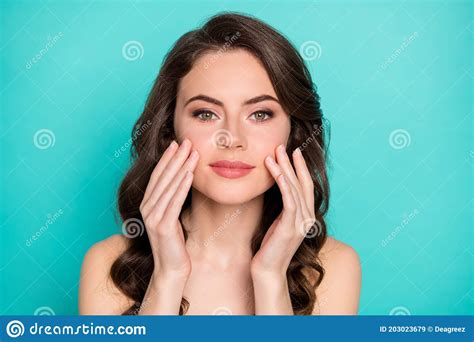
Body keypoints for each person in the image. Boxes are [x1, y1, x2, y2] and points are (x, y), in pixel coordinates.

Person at [79, 12, 361, 315]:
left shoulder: (335, 267)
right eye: (206, 114)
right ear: (168, 130)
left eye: (261, 114)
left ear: (294, 133)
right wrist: (168, 276)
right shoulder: (108, 264)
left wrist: (270, 277)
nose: (232, 138)